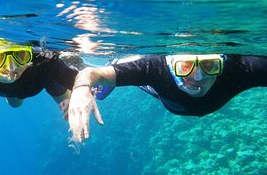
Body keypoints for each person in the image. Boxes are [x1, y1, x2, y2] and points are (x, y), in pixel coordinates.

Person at [68, 54, 267, 142]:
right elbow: (93, 73)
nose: (198, 77)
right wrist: (81, 88)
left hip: (172, 101)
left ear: (223, 61)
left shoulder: (239, 69)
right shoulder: (155, 68)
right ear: (171, 63)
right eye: (185, 66)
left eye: (210, 65)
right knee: (143, 80)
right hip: (163, 94)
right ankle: (120, 61)